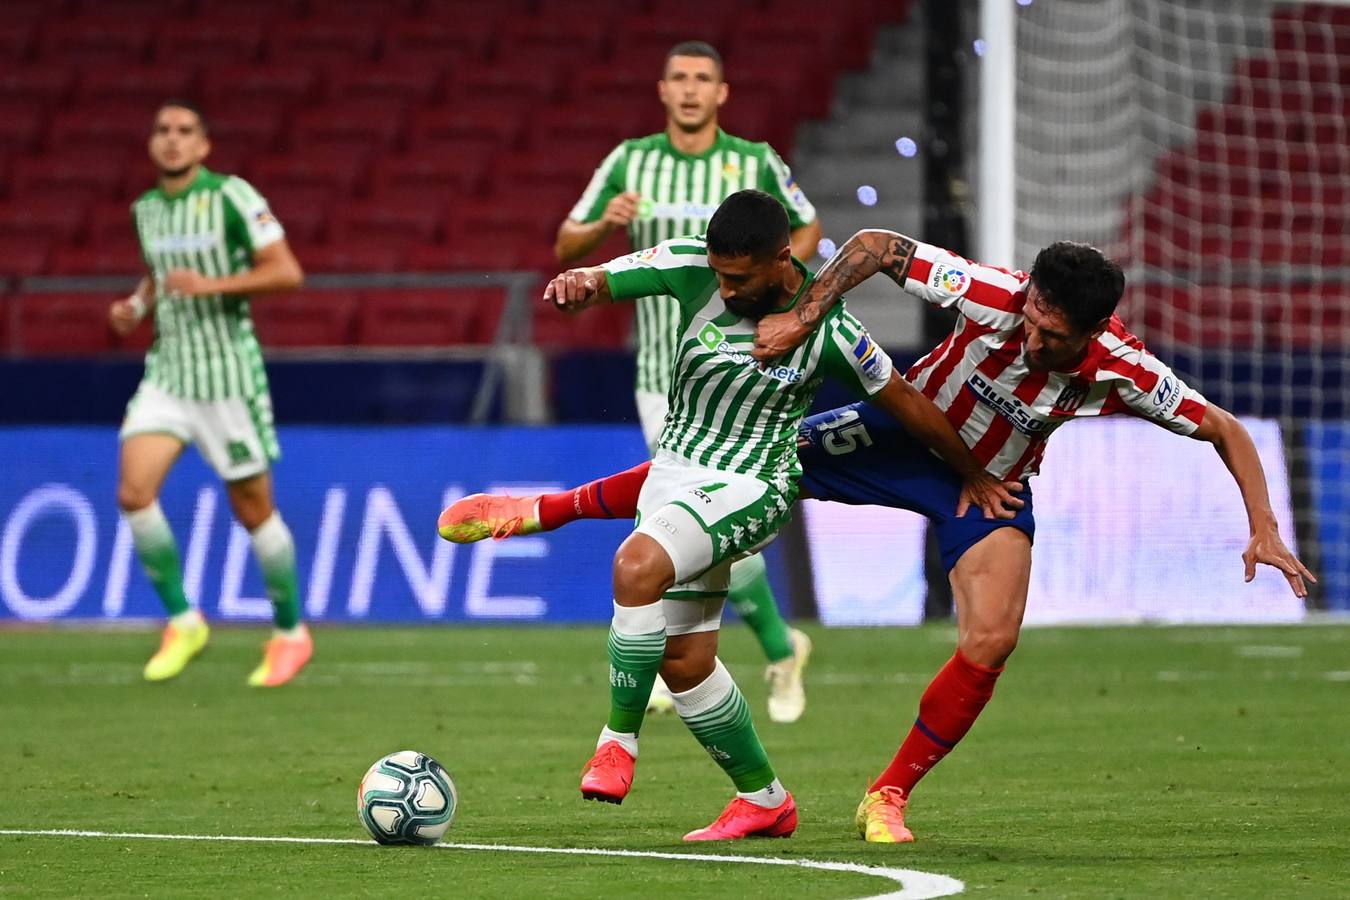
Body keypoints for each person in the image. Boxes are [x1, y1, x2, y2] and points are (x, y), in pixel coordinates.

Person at [438, 228, 1314, 843]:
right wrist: (805, 312)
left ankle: (888, 794)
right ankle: (544, 510)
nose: (1034, 336)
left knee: (993, 637)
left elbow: (1227, 429)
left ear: (1090, 333)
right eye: (1033, 317)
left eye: (1054, 336)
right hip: (898, 435)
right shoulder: (993, 294)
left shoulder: (1125, 372)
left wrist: (1264, 530)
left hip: (988, 486)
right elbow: (873, 246)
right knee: (745, 462)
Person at [450, 190, 1017, 841]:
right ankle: (765, 799)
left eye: (739, 278)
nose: (724, 287)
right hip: (676, 474)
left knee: (635, 568)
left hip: (757, 483)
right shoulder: (693, 266)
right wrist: (582, 283)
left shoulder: (831, 331)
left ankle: (617, 741)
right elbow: (607, 277)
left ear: (782, 261)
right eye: (719, 274)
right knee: (685, 661)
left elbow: (905, 401)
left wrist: (972, 468)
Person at [554, 41, 823, 722]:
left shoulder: (755, 159)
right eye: (680, 77)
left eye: (704, 78)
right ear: (663, 89)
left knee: (702, 522)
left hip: (751, 375)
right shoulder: (628, 160)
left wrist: (784, 300)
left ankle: (757, 650)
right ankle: (765, 646)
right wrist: (602, 226)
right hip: (664, 376)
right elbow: (566, 245)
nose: (692, 89)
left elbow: (807, 227)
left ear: (722, 93)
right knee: (687, 522)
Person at [108, 100, 312, 687]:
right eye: (162, 130)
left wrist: (212, 285)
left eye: (185, 131)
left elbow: (287, 271)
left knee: (253, 509)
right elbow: (158, 273)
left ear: (204, 146)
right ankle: (183, 619)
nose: (172, 140)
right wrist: (136, 307)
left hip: (227, 377)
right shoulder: (145, 210)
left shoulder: (233, 197)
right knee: (133, 491)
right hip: (168, 373)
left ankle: (289, 632)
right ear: (152, 144)